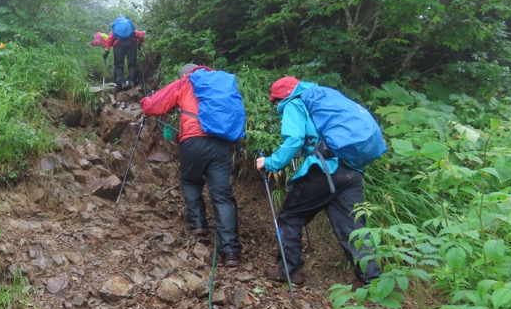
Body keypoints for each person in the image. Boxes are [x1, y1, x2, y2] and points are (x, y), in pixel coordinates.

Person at [255, 76, 382, 288]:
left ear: (281, 98)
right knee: (352, 228)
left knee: (290, 217)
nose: (276, 106)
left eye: (275, 102)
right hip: (350, 170)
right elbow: (310, 140)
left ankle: (289, 271)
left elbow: (294, 138)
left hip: (325, 170)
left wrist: (270, 162)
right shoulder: (322, 99)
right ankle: (372, 280)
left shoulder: (294, 103)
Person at [140, 63, 242, 266]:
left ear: (185, 74)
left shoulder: (186, 82)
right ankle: (230, 251)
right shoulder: (222, 83)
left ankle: (198, 224)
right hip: (222, 143)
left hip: (194, 140)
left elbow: (154, 105)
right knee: (222, 196)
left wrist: (144, 102)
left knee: (190, 180)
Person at [103, 16, 144, 90]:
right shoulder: (131, 31)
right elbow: (141, 34)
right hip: (131, 44)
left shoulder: (115, 32)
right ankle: (132, 81)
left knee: (118, 65)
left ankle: (120, 82)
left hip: (118, 45)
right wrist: (139, 44)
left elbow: (109, 40)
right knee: (132, 63)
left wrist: (106, 51)